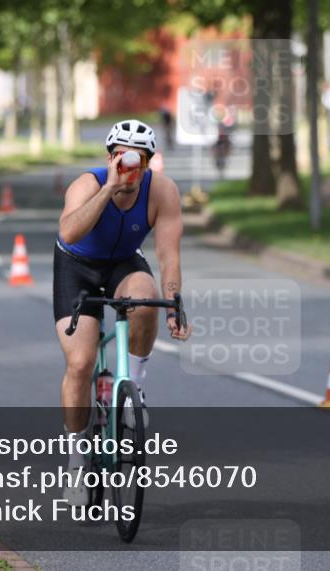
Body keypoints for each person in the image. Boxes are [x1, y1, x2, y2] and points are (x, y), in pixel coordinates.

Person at [54, 119, 189, 504]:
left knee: (145, 299)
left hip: (123, 263)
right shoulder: (87, 184)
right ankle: (77, 460)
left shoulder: (162, 191)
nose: (130, 168)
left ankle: (135, 387)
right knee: (80, 363)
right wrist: (110, 187)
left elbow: (168, 255)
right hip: (75, 267)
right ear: (110, 157)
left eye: (138, 162)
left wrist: (174, 304)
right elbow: (69, 233)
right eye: (121, 158)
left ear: (148, 163)